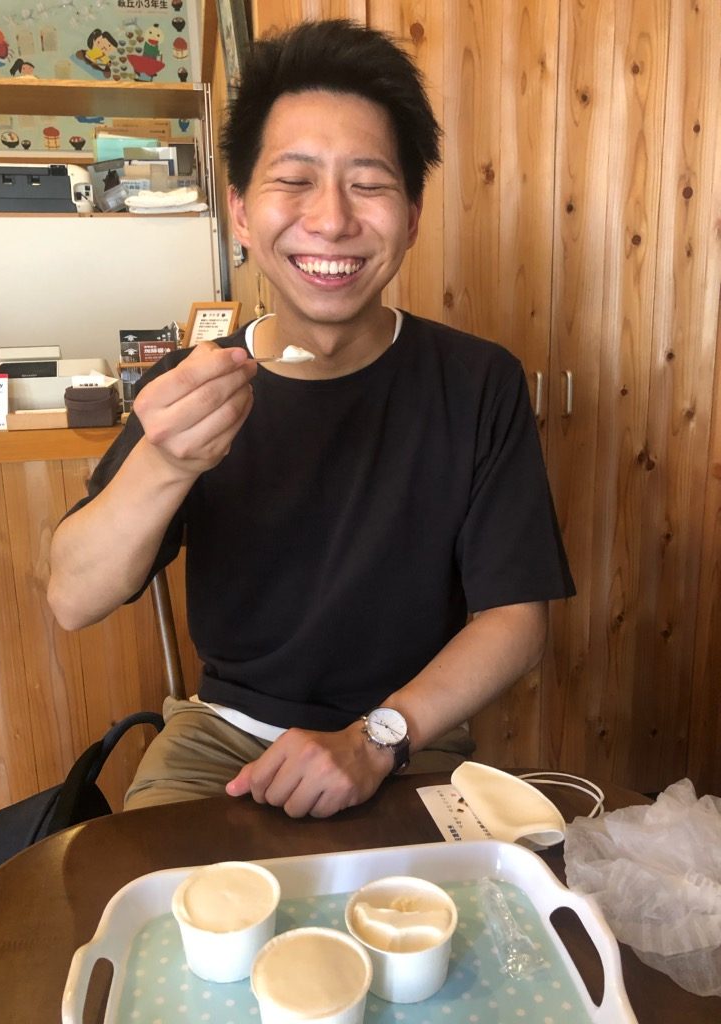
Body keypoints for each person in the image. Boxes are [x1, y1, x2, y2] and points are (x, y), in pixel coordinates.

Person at [48, 19, 574, 819]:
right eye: (294, 180)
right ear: (241, 212)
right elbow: (72, 598)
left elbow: (516, 619)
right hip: (219, 739)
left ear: (413, 215)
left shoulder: (477, 382)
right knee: (151, 892)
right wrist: (166, 460)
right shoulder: (191, 386)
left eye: (368, 184)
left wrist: (376, 739)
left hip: (407, 738)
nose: (331, 220)